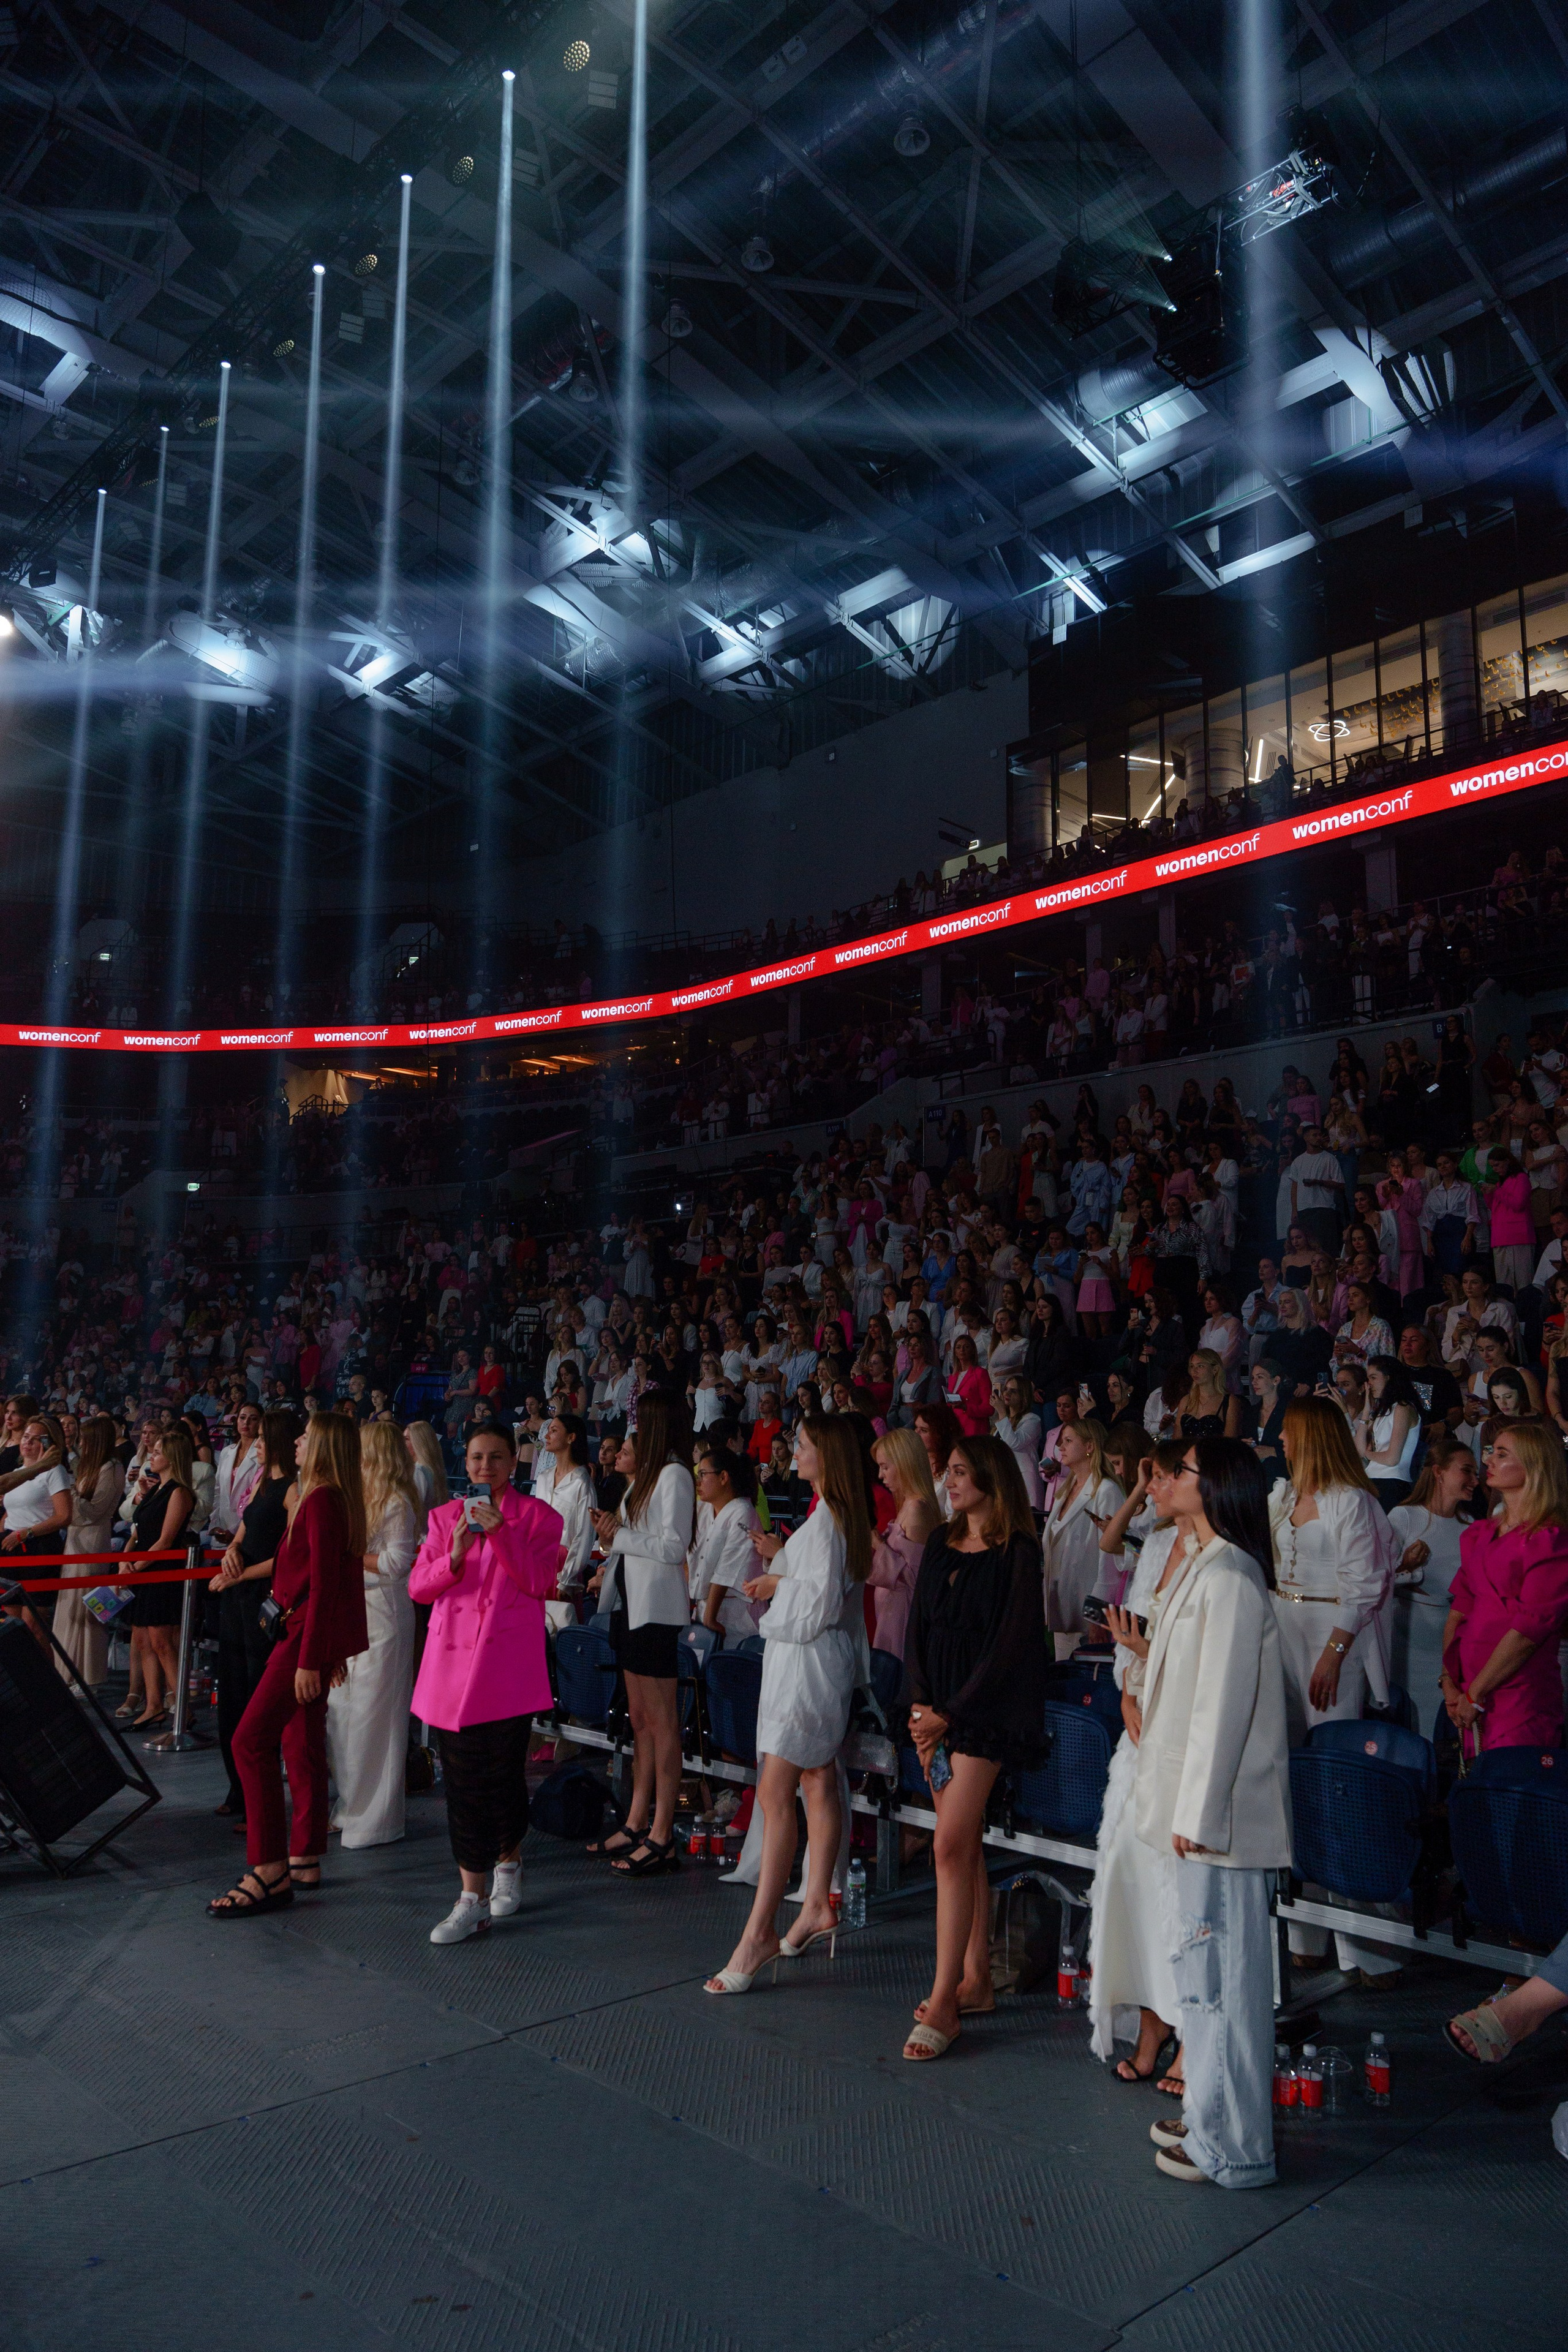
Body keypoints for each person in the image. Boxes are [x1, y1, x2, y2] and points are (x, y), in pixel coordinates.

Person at [1136, 1438, 1291, 2188]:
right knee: (1202, 1976)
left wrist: (1196, 1813)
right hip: (1198, 1814)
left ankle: (1237, 2147)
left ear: (1217, 1485)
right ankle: (1211, 2119)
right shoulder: (1204, 1565)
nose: (1162, 1481)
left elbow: (1222, 1708)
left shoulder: (1230, 1576)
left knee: (1225, 1983)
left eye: (1180, 1471)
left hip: (1221, 1819)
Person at [704, 1417, 872, 1994]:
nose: (792, 1452)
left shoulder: (830, 1523)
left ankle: (758, 1935)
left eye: (801, 1445)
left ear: (827, 1453)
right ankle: (818, 1905)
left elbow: (815, 1607)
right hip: (809, 1665)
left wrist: (776, 1583)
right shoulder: (829, 1517)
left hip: (808, 1668)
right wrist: (781, 1568)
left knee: (777, 1793)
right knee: (818, 1782)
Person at [903, 1435, 1050, 2059]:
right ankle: (977, 1979)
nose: (951, 1481)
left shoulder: (1018, 1551)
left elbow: (1009, 1646)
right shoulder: (939, 1540)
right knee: (959, 1846)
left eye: (962, 1472)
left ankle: (944, 1999)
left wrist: (948, 1714)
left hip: (982, 1715)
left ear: (991, 1478)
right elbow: (917, 1627)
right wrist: (918, 1706)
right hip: (931, 1713)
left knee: (947, 1843)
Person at [407, 1422, 562, 1941]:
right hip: (451, 1673)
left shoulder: (540, 1518)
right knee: (463, 1784)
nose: (485, 1468)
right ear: (465, 1461)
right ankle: (470, 1896)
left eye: (496, 1458)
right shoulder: (444, 1517)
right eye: (476, 1458)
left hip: (507, 1673)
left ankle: (509, 1862)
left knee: (502, 1779)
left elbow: (541, 1582)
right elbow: (419, 1588)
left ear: (513, 1462)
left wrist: (501, 1533)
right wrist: (452, 1557)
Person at [208, 1414, 368, 1917]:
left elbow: (324, 1585)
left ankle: (269, 1868)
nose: (296, 1441)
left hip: (300, 1638)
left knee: (250, 1741)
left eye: (305, 1436)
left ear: (321, 1445)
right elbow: (334, 1580)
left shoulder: (321, 1499)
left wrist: (312, 1657)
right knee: (301, 1741)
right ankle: (302, 1856)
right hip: (306, 1636)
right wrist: (330, 1650)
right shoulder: (329, 1497)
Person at [1268, 1395, 1402, 1981]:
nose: (1280, 1442)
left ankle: (1364, 1943)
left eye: (1289, 1434)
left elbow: (1366, 1584)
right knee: (1292, 1778)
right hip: (1283, 1633)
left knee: (1336, 1781)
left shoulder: (1352, 1502)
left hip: (1331, 1640)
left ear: (1312, 1437)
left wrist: (1334, 1651)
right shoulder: (1281, 1496)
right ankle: (1307, 1930)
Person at [1089, 1441, 1189, 2092]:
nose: (1152, 1484)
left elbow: (1195, 1657)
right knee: (1130, 1870)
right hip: (1139, 1723)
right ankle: (1151, 2020)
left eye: (1165, 1475)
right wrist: (1128, 1686)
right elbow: (1134, 1630)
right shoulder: (1154, 1547)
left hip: (1181, 1733)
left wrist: (1146, 1660)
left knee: (1176, 1886)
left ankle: (1188, 2025)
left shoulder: (1222, 1560)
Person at [589, 1390, 695, 1875]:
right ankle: (637, 1818)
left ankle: (662, 1831)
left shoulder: (674, 1475)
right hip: (631, 1605)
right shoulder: (644, 1478)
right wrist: (612, 1534)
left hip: (656, 1610)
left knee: (663, 1722)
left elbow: (674, 1547)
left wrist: (621, 1536)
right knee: (640, 1722)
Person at [1441, 1420, 1568, 1752]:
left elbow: (1529, 1631)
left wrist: (1476, 1693)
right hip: (1470, 1690)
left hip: (1520, 1693)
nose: (1488, 1461)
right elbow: (1459, 1610)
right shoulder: (1479, 1534)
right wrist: (1450, 1680)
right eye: (1491, 1452)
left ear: (1533, 1466)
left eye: (1502, 1454)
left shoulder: (1551, 1542)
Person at [326, 1422, 421, 1849]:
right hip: (354, 1610)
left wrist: (347, 1560)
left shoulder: (398, 1500)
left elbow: (399, 1561)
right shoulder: (357, 1496)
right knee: (343, 1712)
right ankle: (348, 1806)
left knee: (374, 1717)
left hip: (385, 1615)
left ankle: (376, 1818)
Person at [208, 1410, 298, 1823]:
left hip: (264, 1598)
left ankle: (258, 1799)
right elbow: (243, 1533)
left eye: (261, 1440)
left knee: (255, 1697)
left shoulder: (292, 1490)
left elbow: (289, 1556)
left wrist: (240, 1572)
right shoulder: (262, 1482)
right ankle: (235, 1787)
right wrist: (231, 1556)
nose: (255, 1446)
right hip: (238, 1595)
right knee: (231, 1694)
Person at [1387, 1436, 1479, 1735]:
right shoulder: (1404, 1516)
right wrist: (1406, 1569)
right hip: (1406, 1648)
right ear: (1439, 1473)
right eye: (1466, 1471)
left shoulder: (1471, 1527)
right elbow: (1378, 1582)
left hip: (1449, 1654)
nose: (1475, 1481)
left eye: (1476, 1474)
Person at [122, 1424, 197, 1732]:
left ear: (173, 1457)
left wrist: (135, 1567)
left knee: (162, 1642)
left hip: (162, 1573)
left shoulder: (179, 1492)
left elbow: (165, 1540)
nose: (152, 1453)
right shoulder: (154, 1490)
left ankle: (182, 1706)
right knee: (142, 1640)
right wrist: (126, 1562)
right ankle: (153, 1705)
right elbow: (138, 1532)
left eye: (157, 1451)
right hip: (142, 1569)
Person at [51, 1413, 124, 1688]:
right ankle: (66, 1671)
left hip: (93, 1541)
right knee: (70, 1604)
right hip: (75, 1539)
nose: (81, 1441)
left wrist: (69, 1496)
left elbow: (96, 1511)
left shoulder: (111, 1468)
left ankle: (87, 1675)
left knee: (88, 1607)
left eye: (86, 1437)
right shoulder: (88, 1467)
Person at [1041, 1415, 1124, 1650]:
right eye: (1061, 1441)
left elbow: (1109, 1558)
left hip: (1087, 1610)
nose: (1060, 1447)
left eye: (1068, 1440)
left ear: (1089, 1446)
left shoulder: (1106, 1491)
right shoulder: (1068, 1488)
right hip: (1063, 1606)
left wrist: (1097, 1613)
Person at [867, 1426, 939, 1660]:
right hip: (892, 1615)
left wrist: (879, 1546)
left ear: (905, 1463)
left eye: (885, 1467)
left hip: (904, 1619)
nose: (881, 1475)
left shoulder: (918, 1509)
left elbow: (916, 1578)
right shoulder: (909, 1505)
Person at [692, 1444, 763, 1640]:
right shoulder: (703, 1509)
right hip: (703, 1609)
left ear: (723, 1477)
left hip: (737, 1615)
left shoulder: (743, 1511)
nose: (698, 1482)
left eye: (703, 1474)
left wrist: (710, 1618)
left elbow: (727, 1568)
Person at [1354, 1355, 1422, 1507]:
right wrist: (1366, 1408)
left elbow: (1392, 1458)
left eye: (1373, 1378)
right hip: (1373, 1481)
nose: (1369, 1384)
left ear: (1389, 1378)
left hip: (1392, 1484)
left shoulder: (1403, 1408)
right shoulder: (1384, 1411)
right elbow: (1359, 1449)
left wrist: (1369, 1454)